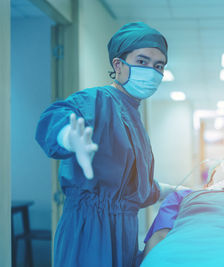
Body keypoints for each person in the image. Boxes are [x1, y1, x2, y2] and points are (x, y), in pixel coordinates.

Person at [35, 22, 182, 267]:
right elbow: (53, 118)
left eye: (159, 66)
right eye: (142, 61)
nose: (152, 71)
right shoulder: (97, 100)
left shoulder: (135, 117)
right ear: (118, 65)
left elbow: (135, 188)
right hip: (87, 231)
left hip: (124, 232)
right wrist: (68, 138)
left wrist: (174, 190)